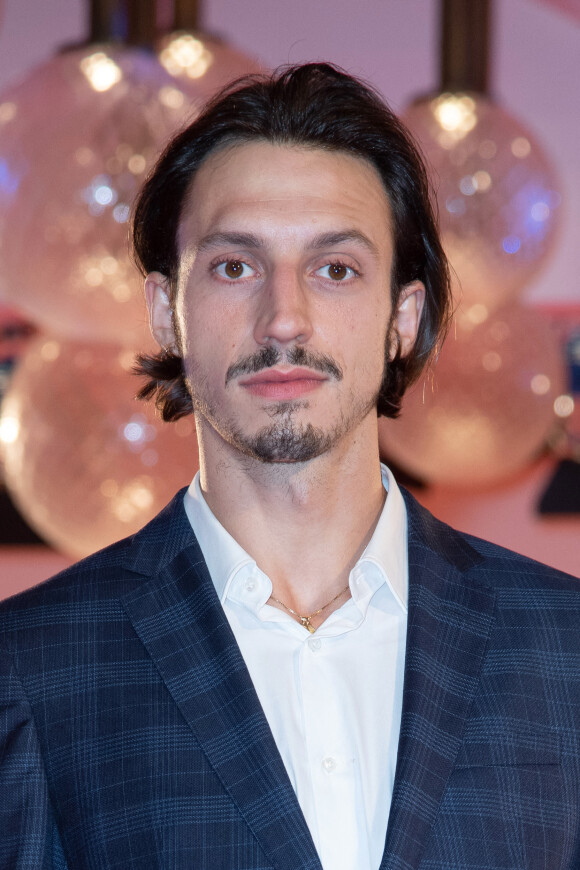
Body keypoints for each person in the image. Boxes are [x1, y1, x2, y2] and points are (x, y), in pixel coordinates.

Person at [1, 63, 579, 870]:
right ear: (167, 312)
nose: (284, 317)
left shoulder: (565, 647)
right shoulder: (30, 666)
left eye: (335, 268)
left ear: (401, 319)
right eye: (235, 266)